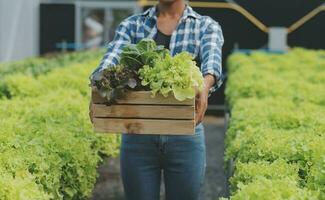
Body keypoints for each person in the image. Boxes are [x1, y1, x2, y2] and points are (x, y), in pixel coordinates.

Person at [89, 0, 224, 199]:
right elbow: (111, 58)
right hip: (138, 133)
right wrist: (98, 86)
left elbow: (212, 63)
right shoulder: (132, 25)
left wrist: (205, 85)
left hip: (186, 133)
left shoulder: (205, 25)